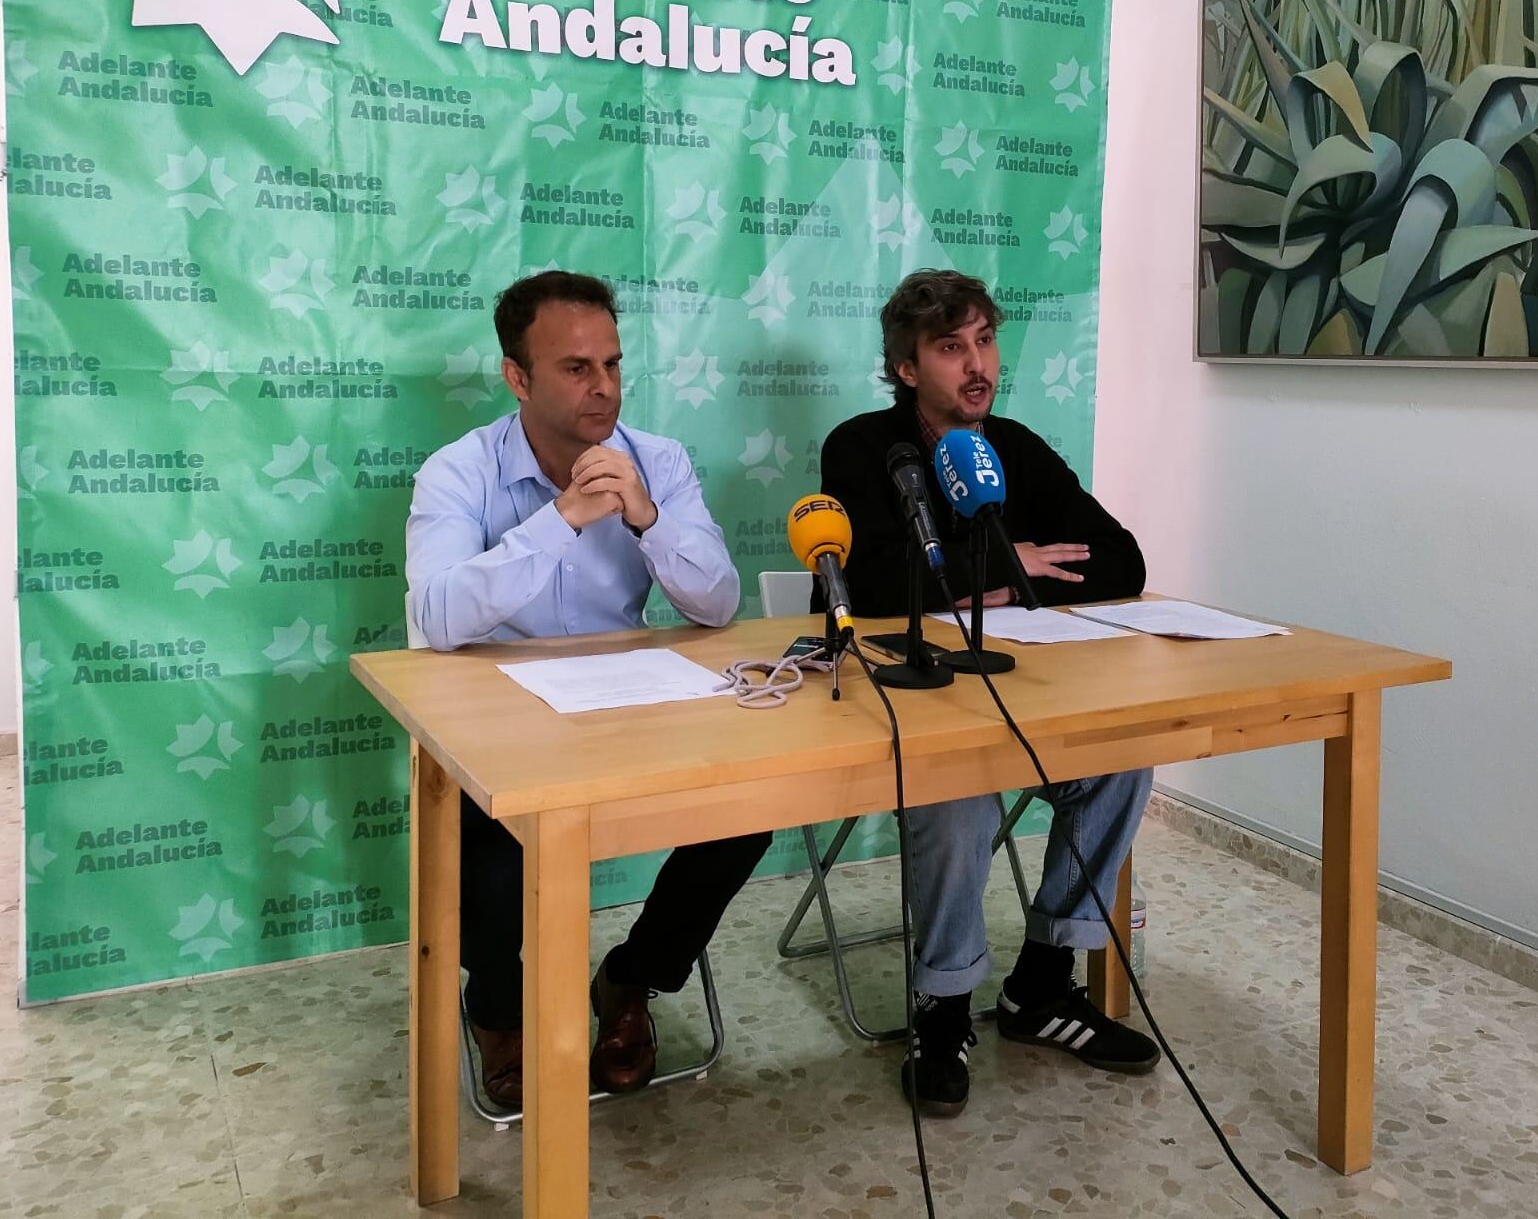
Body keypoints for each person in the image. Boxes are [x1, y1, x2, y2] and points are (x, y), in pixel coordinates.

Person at [405, 270, 759, 1107]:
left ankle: (631, 977)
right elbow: (437, 611)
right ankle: (497, 1009)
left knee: (749, 810)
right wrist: (559, 520)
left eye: (612, 363)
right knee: (483, 857)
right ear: (517, 378)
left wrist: (648, 518)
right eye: (575, 368)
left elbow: (717, 603)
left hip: (622, 703)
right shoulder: (458, 472)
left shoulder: (658, 460)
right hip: (498, 714)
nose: (603, 386)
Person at [819, 268, 1160, 1116]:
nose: (977, 366)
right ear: (906, 367)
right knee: (956, 791)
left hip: (1021, 693)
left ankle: (1041, 983)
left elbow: (1119, 560)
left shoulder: (1012, 445)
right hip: (917, 701)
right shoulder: (864, 448)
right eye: (949, 348)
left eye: (984, 341)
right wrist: (1005, 579)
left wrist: (995, 586)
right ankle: (942, 1008)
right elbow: (866, 584)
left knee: (1122, 760)